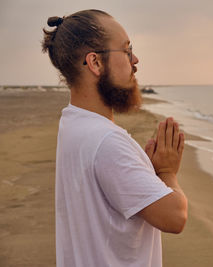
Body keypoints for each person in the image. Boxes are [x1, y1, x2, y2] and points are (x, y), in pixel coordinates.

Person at [41, 9, 188, 267]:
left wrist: (148, 175)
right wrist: (167, 172)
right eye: (127, 50)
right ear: (95, 62)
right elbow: (175, 217)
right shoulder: (106, 141)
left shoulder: (72, 122)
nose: (136, 60)